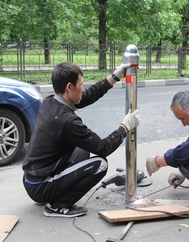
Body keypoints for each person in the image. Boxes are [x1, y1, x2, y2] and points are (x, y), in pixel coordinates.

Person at [22, 62, 140, 218]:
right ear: (69, 87)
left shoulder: (51, 101)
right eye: (81, 85)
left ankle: (54, 193)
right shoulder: (66, 121)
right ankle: (57, 206)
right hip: (41, 187)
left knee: (83, 149)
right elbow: (103, 147)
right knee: (100, 164)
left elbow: (86, 97)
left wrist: (114, 76)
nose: (83, 89)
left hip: (31, 180)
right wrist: (125, 127)